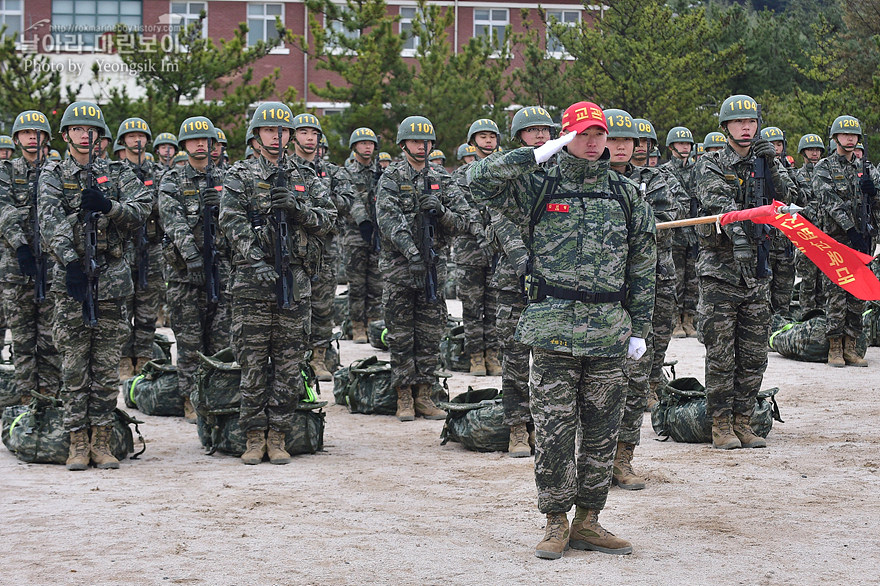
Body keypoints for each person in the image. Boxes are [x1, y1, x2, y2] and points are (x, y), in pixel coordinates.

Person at [470, 101, 656, 560]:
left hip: (610, 330)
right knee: (554, 430)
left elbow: (644, 267)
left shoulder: (626, 193)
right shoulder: (537, 184)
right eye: (582, 134)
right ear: (566, 136)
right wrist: (535, 154)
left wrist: (640, 329)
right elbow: (476, 183)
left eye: (599, 134)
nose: (594, 142)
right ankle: (555, 521)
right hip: (552, 329)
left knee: (601, 432)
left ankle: (589, 521)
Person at [220, 102, 336, 464]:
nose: (277, 137)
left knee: (288, 363)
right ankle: (254, 436)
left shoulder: (305, 173)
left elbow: (328, 218)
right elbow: (231, 220)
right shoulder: (240, 175)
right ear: (256, 136)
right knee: (253, 363)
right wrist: (255, 260)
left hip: (295, 282)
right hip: (252, 285)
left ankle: (279, 434)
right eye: (270, 131)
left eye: (283, 131)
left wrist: (298, 208)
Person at [39, 101, 151, 470]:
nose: (85, 136)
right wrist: (70, 262)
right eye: (77, 129)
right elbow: (49, 220)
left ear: (100, 137)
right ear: (67, 134)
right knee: (73, 364)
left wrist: (109, 207)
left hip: (112, 280)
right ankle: (76, 441)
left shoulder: (117, 172)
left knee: (104, 367)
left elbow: (142, 211)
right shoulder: (53, 173)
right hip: (71, 278)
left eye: (92, 130)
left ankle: (101, 441)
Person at [694, 94, 791, 450]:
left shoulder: (766, 163)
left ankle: (743, 419)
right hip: (722, 273)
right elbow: (722, 205)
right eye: (738, 122)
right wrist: (740, 238)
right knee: (721, 354)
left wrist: (775, 164)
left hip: (758, 273)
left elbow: (789, 202)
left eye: (750, 122)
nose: (746, 128)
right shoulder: (711, 164)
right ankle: (719, 424)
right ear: (725, 127)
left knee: (753, 354)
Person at [375, 115, 471, 421]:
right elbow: (388, 221)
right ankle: (404, 394)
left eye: (426, 141)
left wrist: (441, 212)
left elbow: (464, 220)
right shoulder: (391, 178)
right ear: (403, 144)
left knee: (430, 334)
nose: (421, 146)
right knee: (401, 336)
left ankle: (425, 393)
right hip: (399, 270)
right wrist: (412, 252)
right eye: (416, 141)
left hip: (432, 270)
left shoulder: (443, 178)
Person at [614, 115, 678, 482]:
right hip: (601, 297)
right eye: (618, 138)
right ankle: (591, 462)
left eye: (633, 139)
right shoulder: (587, 182)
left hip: (643, 287)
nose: (627, 146)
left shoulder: (656, 182)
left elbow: (666, 225)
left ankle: (624, 458)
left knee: (636, 377)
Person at [489, 106, 555, 457]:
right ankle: (517, 426)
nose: (541, 135)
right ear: (519, 138)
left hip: (553, 281)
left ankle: (545, 426)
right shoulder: (506, 172)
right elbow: (501, 222)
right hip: (514, 280)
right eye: (532, 131)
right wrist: (525, 264)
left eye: (545, 129)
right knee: (515, 355)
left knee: (552, 358)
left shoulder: (560, 171)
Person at [158, 116, 232, 421]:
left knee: (221, 336)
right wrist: (192, 258)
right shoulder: (171, 180)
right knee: (189, 337)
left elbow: (241, 221)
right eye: (194, 140)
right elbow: (172, 222)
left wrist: (224, 202)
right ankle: (190, 397)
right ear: (184, 146)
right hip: (184, 274)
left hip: (223, 269)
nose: (201, 144)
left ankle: (217, 394)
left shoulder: (227, 178)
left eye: (206, 139)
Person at [0, 110, 62, 403]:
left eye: (37, 134)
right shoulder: (6, 172)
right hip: (16, 267)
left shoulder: (57, 171)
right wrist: (21, 246)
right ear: (17, 138)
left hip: (52, 266)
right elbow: (5, 210)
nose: (32, 138)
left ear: (46, 139)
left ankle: (49, 395)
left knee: (50, 338)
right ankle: (27, 397)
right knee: (23, 339)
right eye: (26, 133)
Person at [289, 113, 353, 380]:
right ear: (294, 137)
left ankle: (318, 357)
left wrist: (316, 198)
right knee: (293, 307)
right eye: (304, 133)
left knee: (324, 307)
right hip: (293, 251)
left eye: (314, 134)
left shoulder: (334, 172)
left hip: (325, 251)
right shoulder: (284, 170)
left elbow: (346, 203)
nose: (310, 138)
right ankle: (296, 358)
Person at [811, 115, 879, 366]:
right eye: (845, 135)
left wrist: (874, 191)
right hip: (836, 242)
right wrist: (851, 230)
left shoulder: (866, 167)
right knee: (836, 293)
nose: (850, 139)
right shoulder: (825, 167)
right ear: (836, 137)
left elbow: (876, 202)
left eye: (854, 135)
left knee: (858, 293)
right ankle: (835, 347)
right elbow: (829, 202)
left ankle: (851, 345)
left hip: (863, 240)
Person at [115, 118, 165, 379]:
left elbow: (164, 206)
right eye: (131, 136)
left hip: (152, 247)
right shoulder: (114, 171)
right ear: (122, 141)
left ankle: (144, 356)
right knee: (122, 306)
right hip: (123, 247)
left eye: (141, 136)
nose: (137, 140)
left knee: (147, 309)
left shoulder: (158, 173)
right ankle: (124, 358)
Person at [452, 119, 501, 376]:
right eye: (482, 137)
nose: (488, 141)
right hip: (469, 251)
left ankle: (493, 354)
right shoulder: (460, 176)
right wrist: (483, 235)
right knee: (472, 307)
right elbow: (463, 210)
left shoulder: (504, 171)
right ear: (472, 142)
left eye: (492, 136)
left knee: (495, 306)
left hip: (498, 251)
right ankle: (475, 356)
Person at [344, 127, 384, 344]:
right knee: (357, 285)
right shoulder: (348, 172)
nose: (367, 147)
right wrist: (363, 221)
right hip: (355, 236)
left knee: (376, 284)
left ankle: (374, 323)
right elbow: (351, 199)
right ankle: (357, 325)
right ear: (354, 147)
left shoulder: (381, 173)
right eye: (363, 143)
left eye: (370, 144)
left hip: (377, 236)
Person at [662, 126, 699, 338]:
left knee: (693, 279)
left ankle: (689, 320)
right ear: (671, 146)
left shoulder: (697, 171)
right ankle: (675, 321)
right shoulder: (665, 172)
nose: (684, 147)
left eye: (687, 144)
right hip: (675, 234)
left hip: (694, 233)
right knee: (675, 278)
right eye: (680, 143)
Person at [759, 126, 799, 316]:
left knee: (783, 294)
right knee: (761, 294)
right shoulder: (752, 166)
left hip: (783, 240)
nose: (776, 148)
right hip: (761, 240)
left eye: (779, 144)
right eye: (771, 144)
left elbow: (792, 196)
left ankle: (779, 331)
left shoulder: (783, 169)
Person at [794, 133, 826, 315]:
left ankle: (822, 317)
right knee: (807, 281)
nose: (814, 153)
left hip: (825, 234)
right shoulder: (797, 176)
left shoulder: (826, 173)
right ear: (803, 152)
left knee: (824, 279)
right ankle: (807, 316)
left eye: (817, 150)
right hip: (805, 234)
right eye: (810, 149)